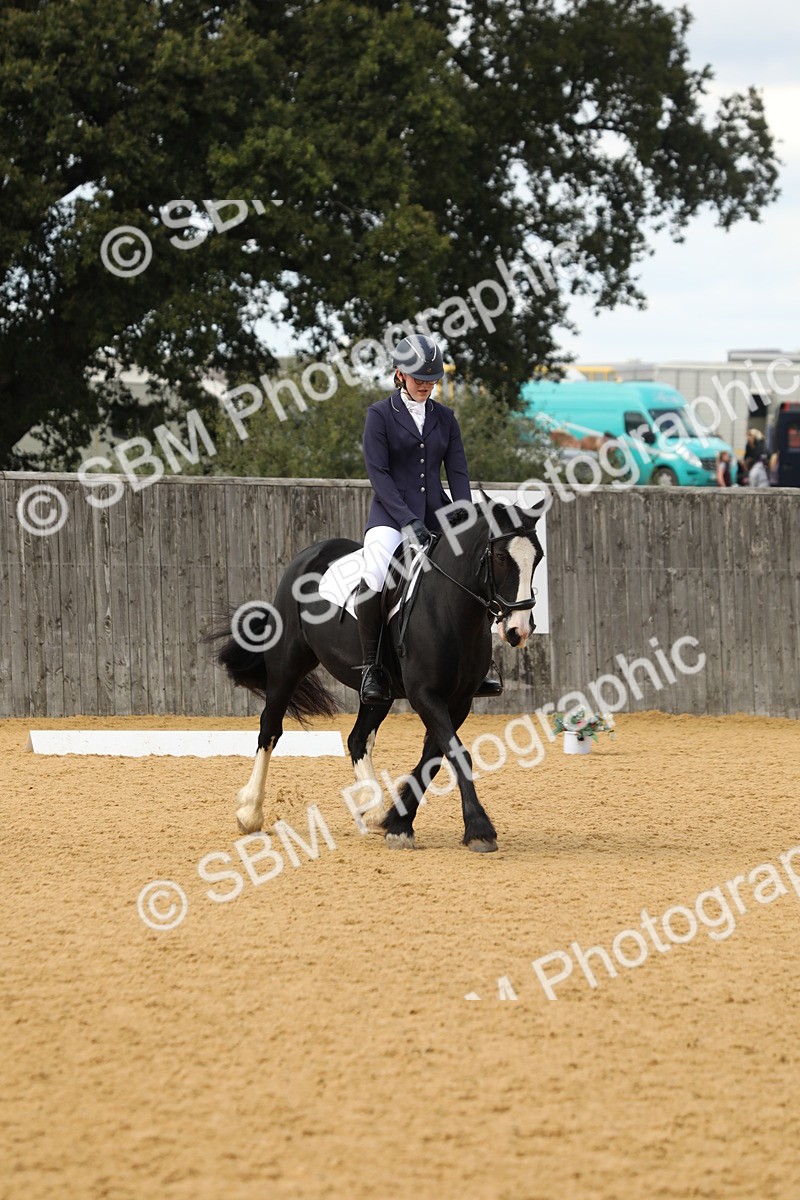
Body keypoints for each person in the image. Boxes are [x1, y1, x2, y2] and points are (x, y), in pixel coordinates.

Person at [356, 332, 500, 703]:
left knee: (476, 569)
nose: (426, 385)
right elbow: (379, 475)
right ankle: (372, 667)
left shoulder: (445, 418)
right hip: (391, 517)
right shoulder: (380, 415)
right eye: (419, 378)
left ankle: (481, 665)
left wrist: (464, 514)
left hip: (438, 514)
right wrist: (406, 520)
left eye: (432, 379)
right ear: (400, 374)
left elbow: (458, 471)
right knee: (376, 573)